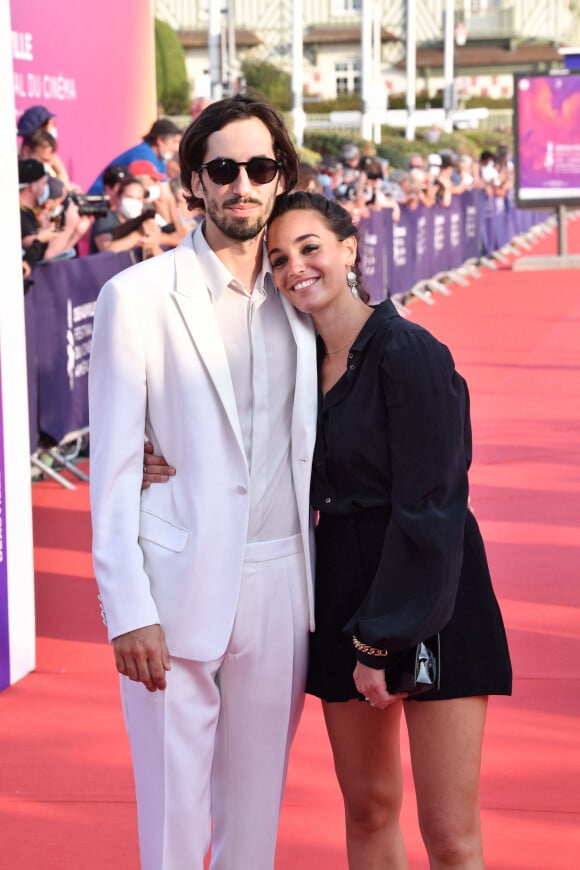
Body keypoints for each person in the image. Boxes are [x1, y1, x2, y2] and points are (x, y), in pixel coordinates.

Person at [145, 191, 512, 869]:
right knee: (369, 808)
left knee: (449, 831)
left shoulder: (411, 354)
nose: (294, 268)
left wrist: (382, 642)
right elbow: (235, 442)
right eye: (278, 259)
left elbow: (431, 505)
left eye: (310, 247)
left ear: (349, 248)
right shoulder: (293, 366)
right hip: (342, 591)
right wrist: (150, 449)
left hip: (432, 593)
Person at [88, 93, 317, 870]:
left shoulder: (306, 301)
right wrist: (127, 610)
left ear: (281, 178)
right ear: (194, 182)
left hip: (283, 582)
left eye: (259, 167)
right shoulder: (137, 298)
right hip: (173, 582)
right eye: (223, 168)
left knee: (254, 825)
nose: (242, 184)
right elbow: (115, 468)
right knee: (172, 826)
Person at [87, 118, 182, 194]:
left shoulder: (160, 158)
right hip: (101, 198)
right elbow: (160, 197)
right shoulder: (144, 154)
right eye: (174, 142)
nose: (177, 148)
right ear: (160, 140)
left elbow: (166, 193)